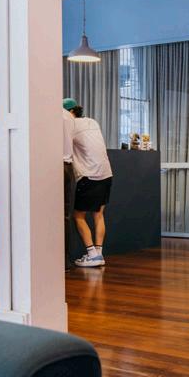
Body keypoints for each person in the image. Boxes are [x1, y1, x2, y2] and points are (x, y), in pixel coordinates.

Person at [64, 98, 112, 268]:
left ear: (70, 112)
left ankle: (92, 254)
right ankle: (98, 253)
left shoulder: (71, 125)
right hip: (106, 174)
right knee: (98, 215)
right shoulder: (92, 122)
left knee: (78, 216)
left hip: (89, 175)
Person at [63, 106, 76, 270]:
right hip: (68, 167)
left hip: (54, 166)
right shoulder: (69, 116)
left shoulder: (48, 114)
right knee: (65, 216)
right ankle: (64, 260)